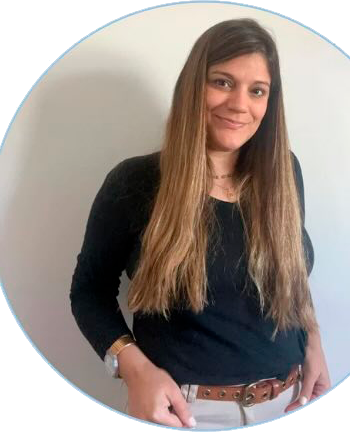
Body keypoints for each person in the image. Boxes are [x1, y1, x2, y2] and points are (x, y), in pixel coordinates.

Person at [70, 18, 330, 430]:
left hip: (290, 399)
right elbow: (89, 292)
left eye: (257, 90)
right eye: (223, 82)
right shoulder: (135, 183)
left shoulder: (283, 174)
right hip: (186, 412)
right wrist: (135, 370)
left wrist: (313, 343)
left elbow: (292, 274)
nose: (240, 104)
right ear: (193, 86)